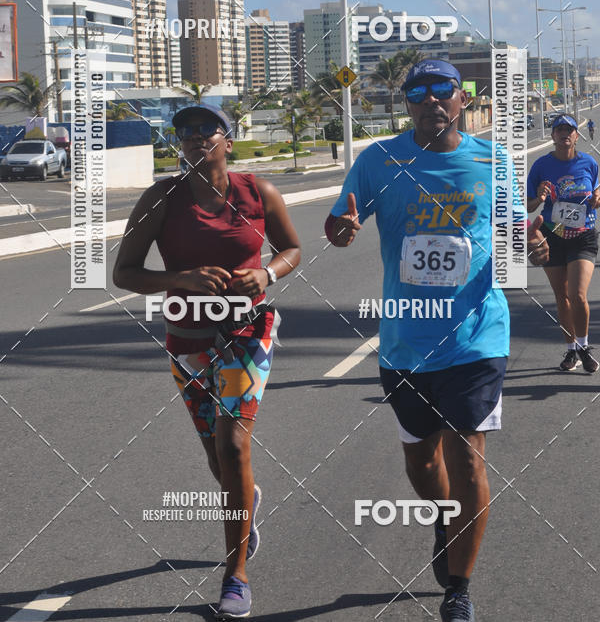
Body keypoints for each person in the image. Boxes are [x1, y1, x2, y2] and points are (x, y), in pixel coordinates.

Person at [324, 59, 549, 622]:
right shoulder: (378, 160)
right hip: (405, 340)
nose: (431, 100)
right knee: (422, 465)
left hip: (477, 336)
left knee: (467, 460)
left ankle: (459, 588)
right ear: (407, 103)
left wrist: (533, 244)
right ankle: (447, 519)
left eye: (442, 90)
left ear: (461, 98)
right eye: (418, 92)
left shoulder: (494, 160)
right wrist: (341, 229)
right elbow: (338, 224)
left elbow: (516, 233)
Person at [113, 104, 301, 619]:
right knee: (218, 459)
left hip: (247, 333)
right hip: (188, 340)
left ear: (228, 142)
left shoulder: (258, 193)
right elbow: (125, 273)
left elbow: (291, 249)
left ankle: (235, 575)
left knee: (234, 445)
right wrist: (180, 279)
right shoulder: (161, 199)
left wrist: (267, 274)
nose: (195, 138)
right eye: (185, 132)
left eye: (206, 130)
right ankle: (245, 499)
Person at [527, 114, 600, 373]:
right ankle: (571, 350)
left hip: (583, 234)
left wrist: (598, 197)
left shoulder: (589, 163)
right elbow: (528, 206)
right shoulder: (541, 166)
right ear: (553, 136)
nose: (564, 134)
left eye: (569, 130)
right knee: (562, 296)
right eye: (559, 130)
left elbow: (597, 190)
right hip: (553, 234)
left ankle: (584, 346)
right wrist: (539, 198)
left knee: (578, 294)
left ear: (576, 136)